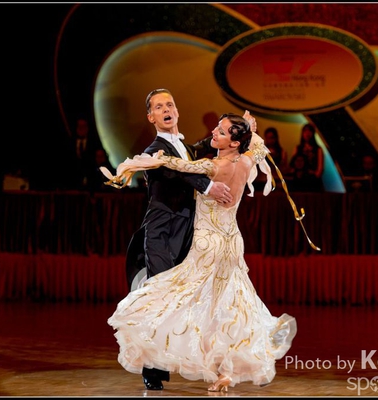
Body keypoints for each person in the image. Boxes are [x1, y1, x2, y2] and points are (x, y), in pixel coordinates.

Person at [106, 112, 296, 392]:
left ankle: (157, 343)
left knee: (178, 296)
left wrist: (149, 160)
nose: (214, 133)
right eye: (217, 128)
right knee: (229, 305)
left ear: (234, 142)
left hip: (208, 244)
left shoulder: (212, 166)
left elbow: (179, 166)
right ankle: (226, 369)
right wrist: (250, 128)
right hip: (232, 243)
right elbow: (257, 147)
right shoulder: (246, 161)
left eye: (221, 132)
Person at [119, 88, 233, 390]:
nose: (166, 109)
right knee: (160, 298)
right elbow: (176, 172)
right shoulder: (153, 151)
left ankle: (180, 360)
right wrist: (208, 187)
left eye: (169, 104)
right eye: (159, 107)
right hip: (160, 233)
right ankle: (151, 368)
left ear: (177, 111)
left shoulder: (186, 149)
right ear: (151, 117)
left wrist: (239, 131)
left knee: (184, 299)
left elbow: (196, 154)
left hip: (186, 234)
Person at [289, 123, 324, 192]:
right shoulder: (298, 148)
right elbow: (292, 165)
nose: (307, 133)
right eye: (305, 131)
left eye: (309, 131)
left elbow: (320, 169)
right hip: (299, 181)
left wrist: (314, 177)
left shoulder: (318, 149)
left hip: (313, 181)